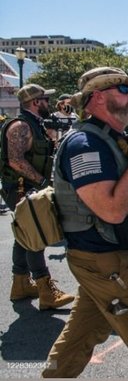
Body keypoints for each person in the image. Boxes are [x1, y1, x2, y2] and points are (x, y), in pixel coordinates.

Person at [42, 66, 128, 378]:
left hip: (115, 259)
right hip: (108, 263)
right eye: (122, 89)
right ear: (96, 97)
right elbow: (112, 210)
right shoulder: (85, 144)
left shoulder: (114, 138)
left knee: (80, 335)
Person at [2, 84, 75, 310]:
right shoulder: (21, 126)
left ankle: (21, 283)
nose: (49, 103)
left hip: (29, 187)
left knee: (24, 233)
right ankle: (45, 289)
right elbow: (15, 160)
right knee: (35, 233)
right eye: (45, 99)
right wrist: (42, 182)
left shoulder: (35, 124)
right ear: (35, 102)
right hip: (23, 187)